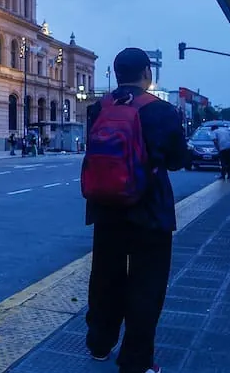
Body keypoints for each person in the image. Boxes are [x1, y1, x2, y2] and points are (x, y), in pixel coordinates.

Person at [84, 48, 188, 373]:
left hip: (106, 207)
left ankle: (100, 344)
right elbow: (177, 160)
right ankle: (135, 361)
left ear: (116, 73)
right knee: (147, 285)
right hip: (150, 211)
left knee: (105, 277)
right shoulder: (163, 111)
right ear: (147, 72)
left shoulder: (98, 108)